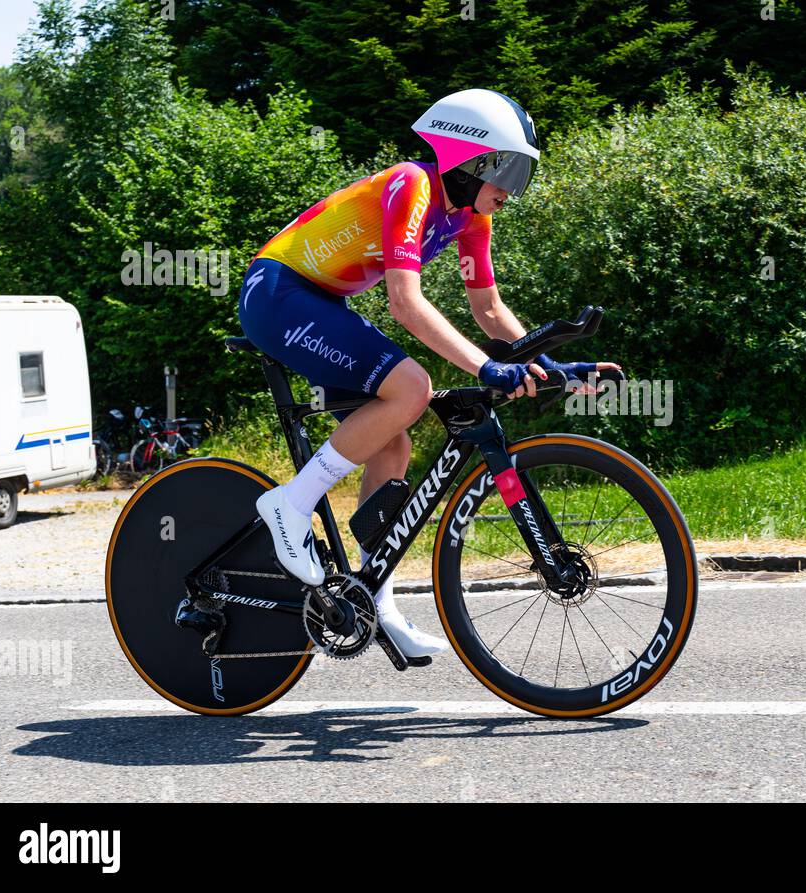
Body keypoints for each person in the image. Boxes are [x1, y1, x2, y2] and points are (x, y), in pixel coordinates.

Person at [237, 89, 619, 659]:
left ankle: (372, 600)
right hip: (278, 293)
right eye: (509, 169)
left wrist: (544, 363)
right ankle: (290, 505)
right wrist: (487, 366)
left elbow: (489, 311)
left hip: (322, 303)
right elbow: (404, 303)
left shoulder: (470, 219)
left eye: (523, 174)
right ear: (470, 159)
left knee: (392, 444)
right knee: (412, 387)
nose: (513, 189)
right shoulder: (411, 185)